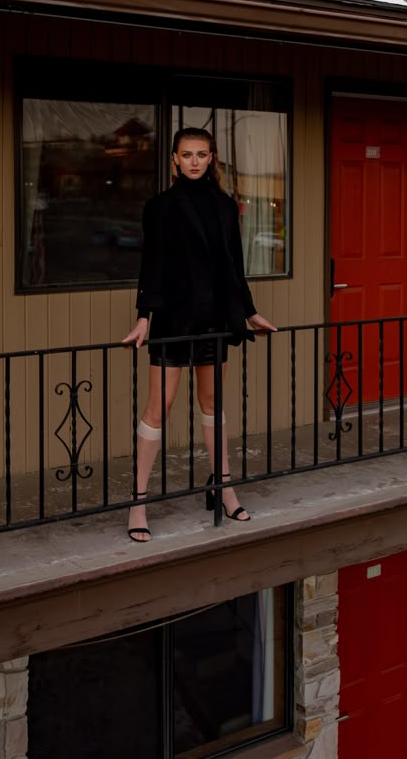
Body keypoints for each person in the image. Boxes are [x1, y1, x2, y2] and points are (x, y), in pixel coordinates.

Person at [122, 127, 277, 542]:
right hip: (173, 319)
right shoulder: (160, 206)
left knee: (213, 404)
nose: (194, 161)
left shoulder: (226, 206)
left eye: (201, 154)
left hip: (215, 319)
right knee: (160, 407)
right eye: (186, 154)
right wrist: (143, 318)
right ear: (174, 159)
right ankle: (138, 502)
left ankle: (224, 487)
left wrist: (250, 312)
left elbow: (233, 265)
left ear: (211, 158)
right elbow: (151, 265)